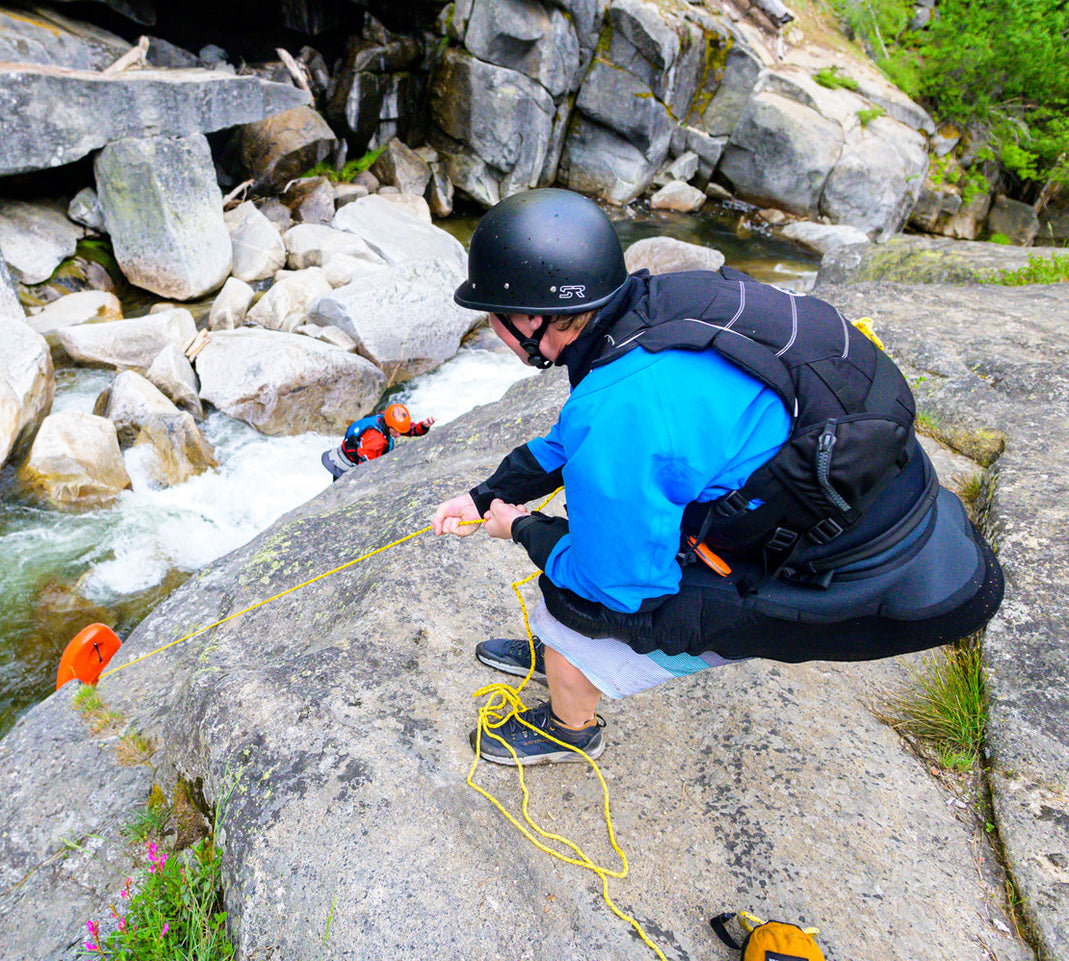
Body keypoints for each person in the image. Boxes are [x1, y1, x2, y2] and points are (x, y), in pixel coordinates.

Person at [431, 188, 1003, 766]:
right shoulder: (660, 307)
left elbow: (618, 587)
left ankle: (569, 723)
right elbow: (574, 443)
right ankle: (567, 663)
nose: (493, 330)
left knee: (572, 595)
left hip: (873, 585)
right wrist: (486, 495)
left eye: (494, 317)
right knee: (605, 531)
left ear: (534, 320)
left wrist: (523, 528)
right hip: (879, 506)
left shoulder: (620, 407)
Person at [321, 403, 436, 480]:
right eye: (396, 432)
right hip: (344, 467)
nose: (399, 435)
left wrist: (423, 426)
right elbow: (365, 469)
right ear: (390, 425)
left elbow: (409, 429)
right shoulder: (376, 440)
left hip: (346, 453)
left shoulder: (385, 418)